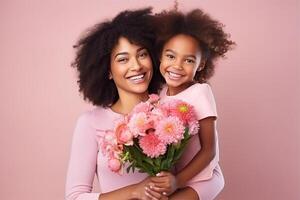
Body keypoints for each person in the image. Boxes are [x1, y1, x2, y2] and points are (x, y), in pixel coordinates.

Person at [65, 8, 167, 200]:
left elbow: (213, 177)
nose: (136, 66)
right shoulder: (89, 123)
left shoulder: (172, 113)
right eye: (123, 59)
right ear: (108, 71)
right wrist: (134, 191)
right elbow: (74, 197)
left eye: (142, 54)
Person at [146, 9, 235, 200]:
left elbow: (209, 150)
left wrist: (177, 181)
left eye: (188, 60)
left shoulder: (200, 92)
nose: (177, 66)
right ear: (160, 56)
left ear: (201, 65)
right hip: (178, 180)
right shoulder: (161, 96)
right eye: (171, 56)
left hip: (204, 179)